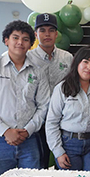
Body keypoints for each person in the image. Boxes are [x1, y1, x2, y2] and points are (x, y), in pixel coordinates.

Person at [0, 20, 50, 177]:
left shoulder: (38, 72)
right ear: (6, 40)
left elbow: (44, 105)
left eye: (25, 39)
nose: (20, 42)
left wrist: (28, 130)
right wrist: (5, 131)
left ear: (31, 44)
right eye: (15, 37)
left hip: (29, 139)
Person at [46, 46, 90, 171]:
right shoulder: (62, 88)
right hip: (68, 145)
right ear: (77, 63)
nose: (89, 67)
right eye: (85, 62)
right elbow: (52, 122)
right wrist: (58, 152)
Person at [27, 13, 73, 169]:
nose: (47, 34)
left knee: (65, 165)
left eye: (51, 30)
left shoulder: (67, 58)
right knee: (40, 166)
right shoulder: (28, 59)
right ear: (35, 34)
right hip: (37, 122)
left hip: (63, 121)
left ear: (56, 34)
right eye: (42, 30)